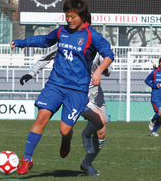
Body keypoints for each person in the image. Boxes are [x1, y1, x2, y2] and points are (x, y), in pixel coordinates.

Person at [10, 0, 114, 175]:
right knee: (41, 117)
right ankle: (26, 159)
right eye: (67, 16)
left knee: (65, 129)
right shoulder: (62, 32)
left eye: (72, 17)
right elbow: (44, 40)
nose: (69, 20)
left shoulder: (91, 36)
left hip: (77, 91)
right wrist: (21, 43)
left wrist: (98, 71)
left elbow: (109, 54)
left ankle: (66, 140)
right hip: (55, 84)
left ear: (82, 16)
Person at [20, 46, 111, 176]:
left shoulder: (97, 45)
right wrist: (32, 72)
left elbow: (108, 71)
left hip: (95, 94)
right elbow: (46, 57)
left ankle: (86, 163)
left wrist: (102, 66)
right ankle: (31, 156)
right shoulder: (67, 40)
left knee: (101, 129)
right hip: (77, 92)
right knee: (64, 128)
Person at [145, 57, 161, 137]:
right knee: (160, 113)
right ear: (159, 63)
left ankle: (153, 132)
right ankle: (152, 119)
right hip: (156, 96)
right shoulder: (155, 72)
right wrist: (154, 85)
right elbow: (147, 80)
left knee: (160, 116)